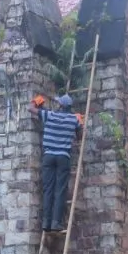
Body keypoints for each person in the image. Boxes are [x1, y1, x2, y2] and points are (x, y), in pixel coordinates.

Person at [30, 93, 84, 232]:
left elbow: (31, 109)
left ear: (60, 106)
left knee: (48, 189)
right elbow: (79, 137)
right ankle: (56, 223)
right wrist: (80, 123)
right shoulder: (74, 119)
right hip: (63, 157)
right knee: (60, 190)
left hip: (49, 156)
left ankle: (45, 223)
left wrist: (36, 101)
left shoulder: (50, 115)